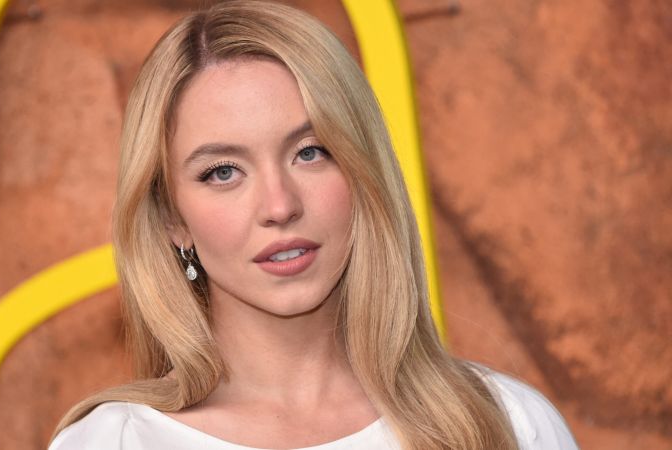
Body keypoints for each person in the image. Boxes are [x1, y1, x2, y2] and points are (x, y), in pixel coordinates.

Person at [48, 1, 578, 449]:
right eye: (223, 171)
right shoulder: (112, 441)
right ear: (171, 219)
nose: (279, 206)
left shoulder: (509, 424)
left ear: (363, 171)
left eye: (310, 151)